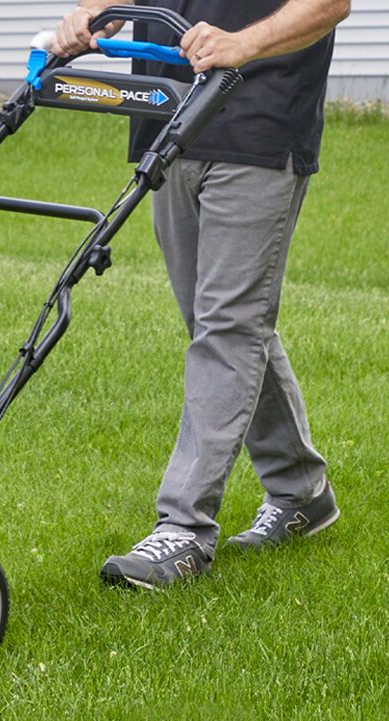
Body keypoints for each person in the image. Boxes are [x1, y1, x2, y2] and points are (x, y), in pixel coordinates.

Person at [51, 0, 350, 589]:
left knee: (229, 328)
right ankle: (301, 490)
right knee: (218, 323)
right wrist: (93, 14)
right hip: (171, 119)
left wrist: (244, 43)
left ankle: (183, 528)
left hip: (261, 120)